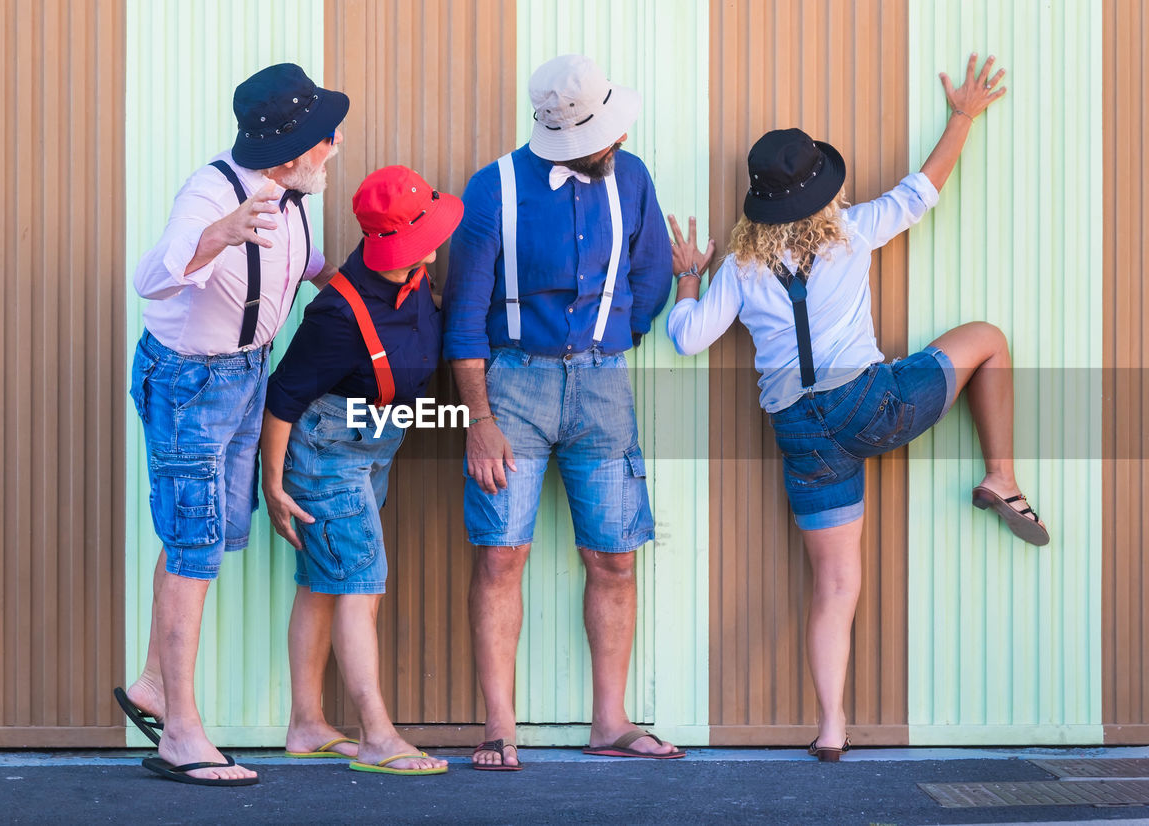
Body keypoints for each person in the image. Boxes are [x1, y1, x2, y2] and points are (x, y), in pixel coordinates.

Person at [666, 54, 1048, 762]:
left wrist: (689, 275)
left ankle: (832, 728)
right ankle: (1001, 476)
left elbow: (687, 338)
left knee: (835, 585)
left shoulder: (739, 270)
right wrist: (962, 116)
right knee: (988, 340)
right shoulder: (853, 231)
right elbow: (924, 189)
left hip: (801, 437)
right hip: (876, 407)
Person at [443, 54, 682, 770]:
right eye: (605, 134)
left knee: (614, 558)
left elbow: (653, 272)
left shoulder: (632, 178)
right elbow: (463, 318)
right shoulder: (493, 191)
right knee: (500, 555)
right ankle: (499, 729)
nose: (618, 142)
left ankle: (609, 724)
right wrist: (478, 421)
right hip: (511, 389)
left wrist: (613, 335)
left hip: (603, 389)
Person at [116, 63, 348, 786]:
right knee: (193, 544)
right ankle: (180, 734)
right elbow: (152, 277)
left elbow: (302, 265)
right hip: (190, 382)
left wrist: (371, 294)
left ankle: (155, 683)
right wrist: (216, 235)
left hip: (246, 372)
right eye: (323, 138)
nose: (335, 145)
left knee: (209, 532)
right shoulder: (211, 193)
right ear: (291, 151)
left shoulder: (292, 193)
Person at [261, 166, 463, 776]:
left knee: (325, 582)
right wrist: (273, 485)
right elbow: (283, 399)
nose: (439, 238)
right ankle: (377, 735)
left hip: (375, 446)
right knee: (359, 585)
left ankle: (305, 725)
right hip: (326, 456)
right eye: (427, 229)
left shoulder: (416, 280)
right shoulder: (337, 315)